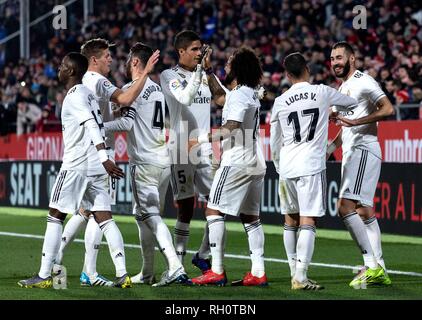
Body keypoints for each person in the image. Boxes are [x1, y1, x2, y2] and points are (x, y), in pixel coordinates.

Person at [53, 38, 160, 286]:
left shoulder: (83, 83)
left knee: (83, 211)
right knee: (98, 215)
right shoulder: (98, 80)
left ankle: (56, 262)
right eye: (106, 55)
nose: (111, 59)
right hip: (100, 153)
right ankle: (89, 272)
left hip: (83, 152)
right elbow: (124, 99)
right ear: (94, 59)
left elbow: (108, 109)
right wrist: (144, 74)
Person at [17, 52, 128, 288]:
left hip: (77, 164)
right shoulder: (88, 95)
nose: (59, 68)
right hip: (96, 165)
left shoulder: (74, 96)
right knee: (104, 217)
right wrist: (103, 159)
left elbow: (90, 124)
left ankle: (45, 275)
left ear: (72, 71)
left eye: (63, 66)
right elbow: (97, 123)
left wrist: (103, 156)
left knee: (55, 214)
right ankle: (122, 274)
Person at [103, 42, 190, 287]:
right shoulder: (159, 90)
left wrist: (100, 126)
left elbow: (127, 125)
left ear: (134, 62)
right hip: (163, 160)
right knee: (143, 216)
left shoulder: (133, 88)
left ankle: (174, 266)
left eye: (128, 60)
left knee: (149, 215)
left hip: (144, 162)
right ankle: (148, 271)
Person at [270, 52, 358, 290]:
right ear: (307, 69)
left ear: (287, 75)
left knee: (290, 219)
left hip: (287, 165)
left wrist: (278, 166)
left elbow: (274, 139)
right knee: (308, 219)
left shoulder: (280, 100)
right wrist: (331, 112)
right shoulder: (322, 92)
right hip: (310, 164)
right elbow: (352, 102)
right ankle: (301, 276)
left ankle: (293, 271)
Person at [190, 46, 267, 287]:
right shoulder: (248, 93)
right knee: (251, 218)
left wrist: (199, 140)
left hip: (237, 161)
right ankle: (258, 272)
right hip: (255, 160)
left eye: (230, 62)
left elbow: (231, 126)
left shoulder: (240, 94)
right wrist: (209, 70)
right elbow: (220, 97)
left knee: (213, 211)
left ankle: (217, 270)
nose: (227, 64)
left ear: (238, 67)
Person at [328, 41, 395, 288]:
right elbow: (344, 128)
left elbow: (388, 108)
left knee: (345, 207)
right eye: (332, 58)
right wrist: (329, 149)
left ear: (352, 59)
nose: (334, 62)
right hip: (352, 151)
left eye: (339, 58)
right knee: (365, 211)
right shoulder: (343, 87)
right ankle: (380, 267)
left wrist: (358, 123)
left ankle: (372, 266)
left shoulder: (363, 81)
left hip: (364, 149)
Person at [160, 30, 226, 272]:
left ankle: (203, 254)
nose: (200, 53)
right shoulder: (169, 75)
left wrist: (208, 71)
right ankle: (177, 263)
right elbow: (184, 99)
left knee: (220, 202)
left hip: (204, 149)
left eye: (201, 49)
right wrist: (200, 72)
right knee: (186, 207)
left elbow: (222, 100)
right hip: (180, 148)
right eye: (195, 49)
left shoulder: (205, 75)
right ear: (181, 51)